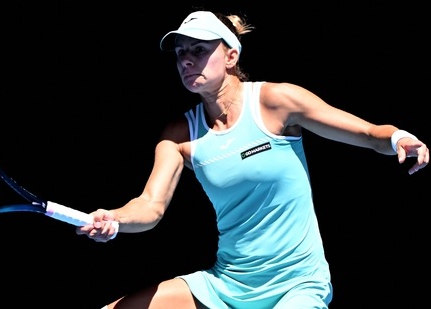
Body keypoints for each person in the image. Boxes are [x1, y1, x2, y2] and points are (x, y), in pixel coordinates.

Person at [76, 10, 429, 309]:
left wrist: (399, 137)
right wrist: (116, 219)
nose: (185, 59)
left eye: (199, 50)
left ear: (231, 56)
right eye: (180, 52)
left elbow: (368, 134)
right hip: (226, 284)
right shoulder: (179, 134)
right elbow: (150, 206)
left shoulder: (277, 101)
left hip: (297, 284)